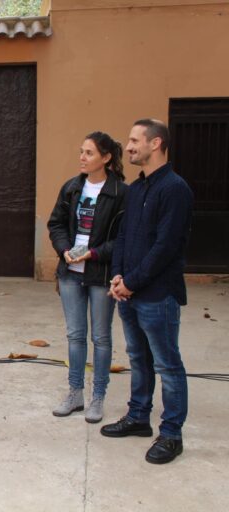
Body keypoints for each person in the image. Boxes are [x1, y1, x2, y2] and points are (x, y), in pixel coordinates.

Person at [102, 119, 193, 465]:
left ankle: (171, 434)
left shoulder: (175, 189)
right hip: (130, 292)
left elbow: (165, 246)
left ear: (156, 144)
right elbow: (123, 237)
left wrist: (132, 281)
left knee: (168, 365)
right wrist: (118, 276)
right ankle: (138, 417)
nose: (128, 147)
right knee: (138, 359)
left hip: (158, 294)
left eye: (134, 140)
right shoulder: (136, 189)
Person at [48, 131, 128, 423]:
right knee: (75, 335)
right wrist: (64, 249)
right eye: (81, 151)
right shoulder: (71, 188)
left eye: (89, 153)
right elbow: (55, 223)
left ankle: (98, 396)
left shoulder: (121, 192)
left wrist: (93, 254)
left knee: (101, 337)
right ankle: (75, 393)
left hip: (100, 273)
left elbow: (123, 239)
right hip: (70, 272)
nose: (82, 157)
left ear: (106, 158)